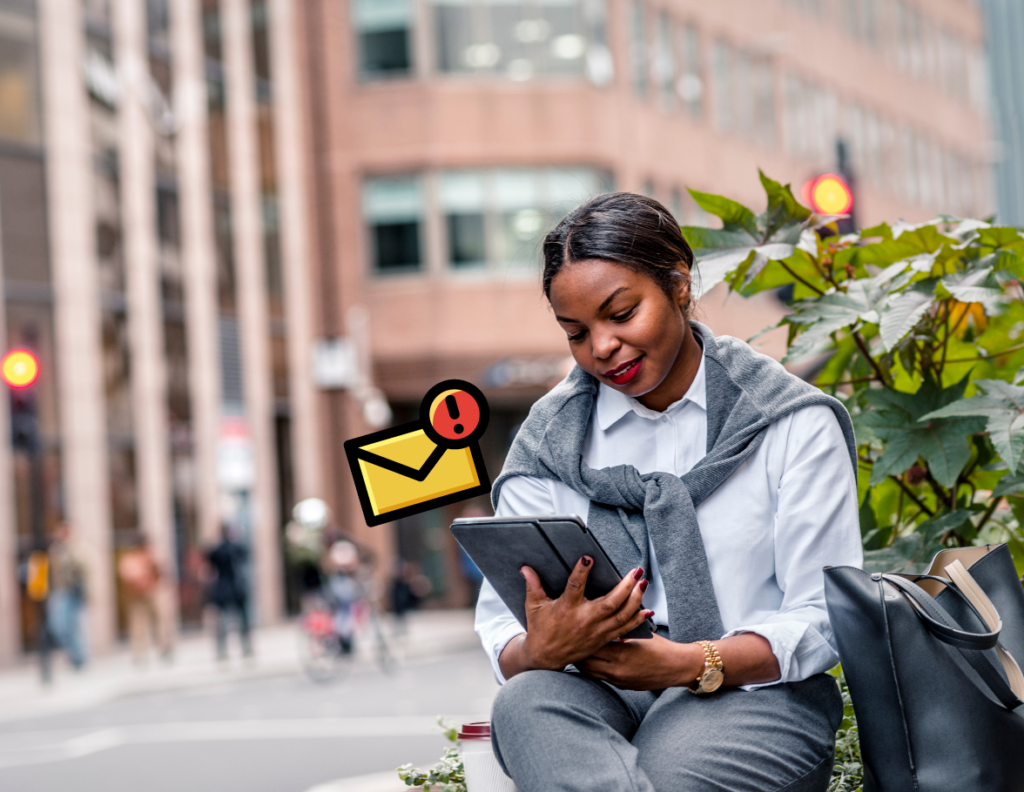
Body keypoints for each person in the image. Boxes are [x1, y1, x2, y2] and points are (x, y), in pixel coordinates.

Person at [474, 193, 862, 792]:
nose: (601, 347)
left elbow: (821, 618)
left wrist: (686, 663)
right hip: (596, 688)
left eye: (621, 314)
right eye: (576, 333)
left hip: (752, 689)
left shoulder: (789, 421)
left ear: (679, 286)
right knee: (526, 704)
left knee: (669, 769)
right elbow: (503, 626)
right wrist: (541, 649)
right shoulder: (550, 443)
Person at [118, 535, 172, 664]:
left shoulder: (152, 555)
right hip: (136, 596)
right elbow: (126, 576)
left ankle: (165, 647)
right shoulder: (130, 559)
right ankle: (140, 652)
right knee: (138, 624)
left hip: (153, 592)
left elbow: (161, 571)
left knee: (161, 620)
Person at [206, 524, 253, 660]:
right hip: (235, 586)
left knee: (223, 622)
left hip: (223, 587)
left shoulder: (217, 549)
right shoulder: (235, 547)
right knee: (241, 620)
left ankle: (222, 651)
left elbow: (210, 562)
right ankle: (246, 647)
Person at [47, 522, 88, 669]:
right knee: (58, 626)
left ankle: (79, 658)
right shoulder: (56, 549)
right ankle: (74, 654)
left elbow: (83, 567)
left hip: (73, 592)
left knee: (72, 625)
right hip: (58, 591)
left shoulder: (76, 548)